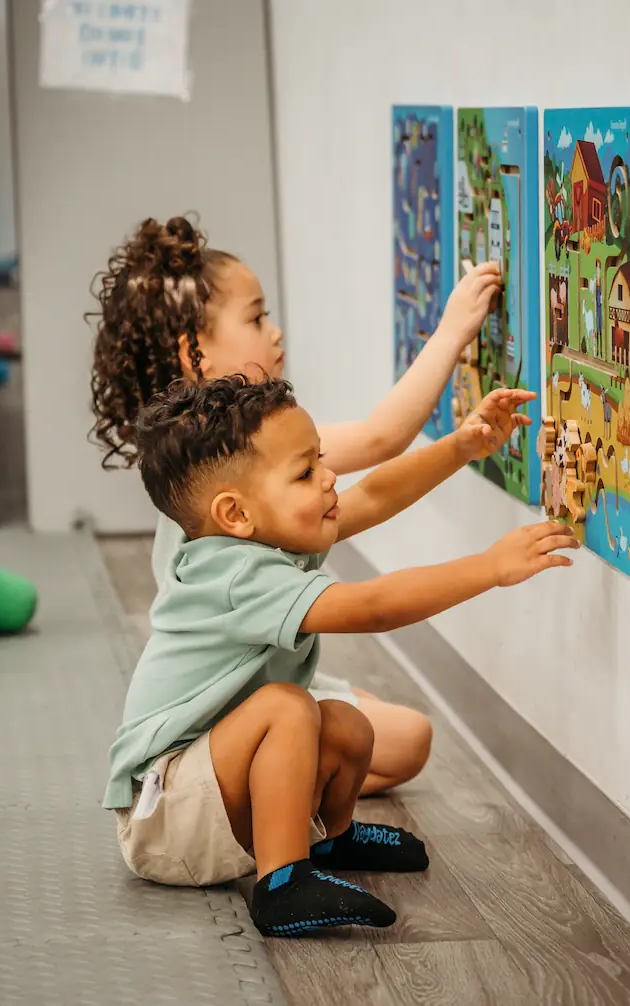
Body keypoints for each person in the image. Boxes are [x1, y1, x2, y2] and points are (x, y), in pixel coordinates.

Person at [103, 375, 577, 936]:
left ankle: (326, 838)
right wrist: (489, 567)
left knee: (345, 725)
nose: (328, 478)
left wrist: (462, 446)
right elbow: (373, 607)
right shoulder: (232, 574)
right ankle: (283, 885)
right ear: (235, 514)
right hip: (163, 818)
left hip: (206, 790)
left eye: (319, 460)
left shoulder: (268, 535)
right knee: (287, 707)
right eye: (305, 473)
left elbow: (373, 496)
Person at [90, 215, 503, 795]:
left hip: (258, 666)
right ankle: (274, 789)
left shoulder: (233, 452)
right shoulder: (233, 460)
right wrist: (453, 329)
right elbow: (382, 438)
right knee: (390, 738)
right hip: (231, 701)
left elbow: (369, 497)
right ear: (194, 353)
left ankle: (285, 773)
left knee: (399, 737)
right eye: (256, 317)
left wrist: (460, 446)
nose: (275, 332)